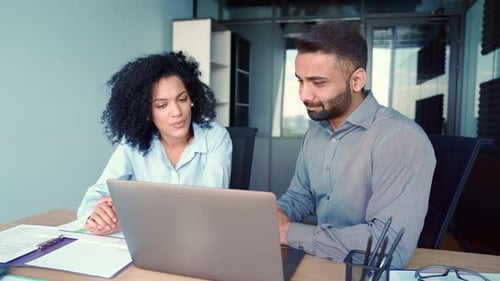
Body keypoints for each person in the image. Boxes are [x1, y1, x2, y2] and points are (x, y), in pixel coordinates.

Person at [276, 21, 436, 268]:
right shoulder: (316, 131)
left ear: (357, 80)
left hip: (363, 270)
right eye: (300, 80)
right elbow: (301, 195)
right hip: (319, 259)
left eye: (318, 83)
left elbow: (388, 247)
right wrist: (277, 215)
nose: (304, 95)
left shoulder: (402, 139)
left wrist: (288, 232)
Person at [77, 51, 232, 235]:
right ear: (146, 111)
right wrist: (97, 215)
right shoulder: (133, 141)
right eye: (162, 105)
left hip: (200, 239)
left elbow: (210, 206)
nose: (176, 111)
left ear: (192, 99)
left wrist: (133, 212)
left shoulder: (215, 137)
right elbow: (100, 190)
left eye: (182, 99)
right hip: (151, 240)